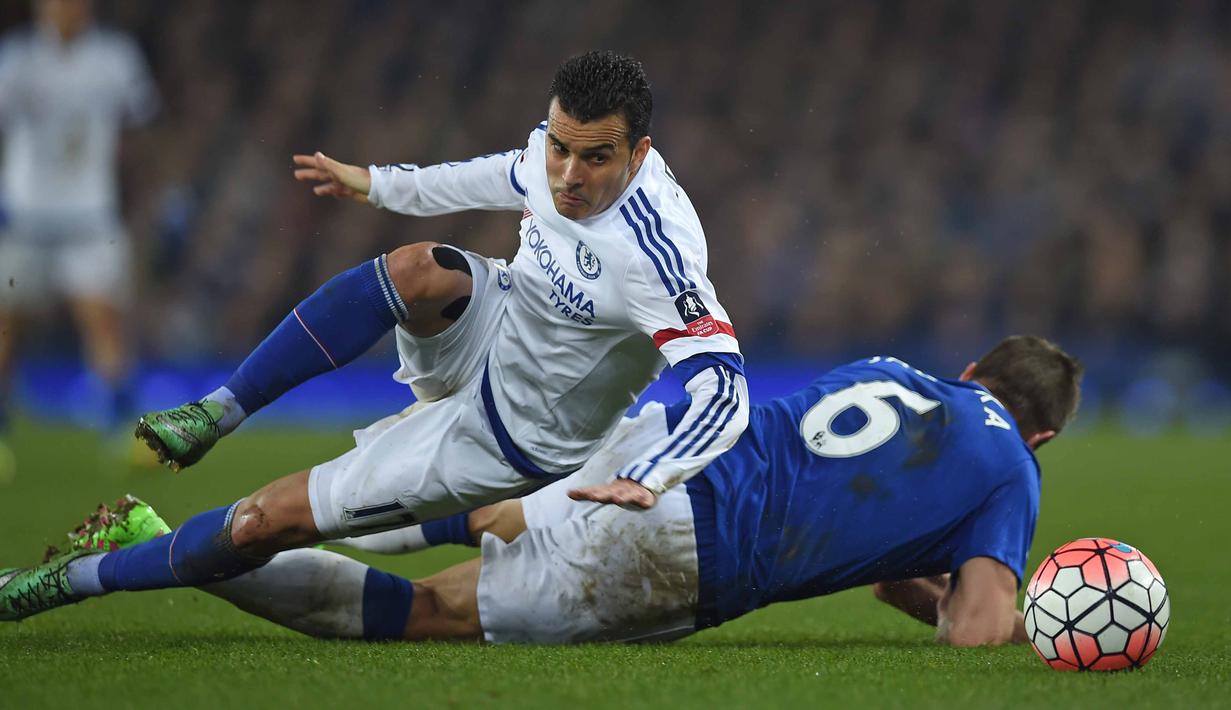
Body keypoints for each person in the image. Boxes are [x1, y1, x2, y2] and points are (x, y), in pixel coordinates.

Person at [0, 51, 748, 613]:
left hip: (514, 430)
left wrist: (655, 471)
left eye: (593, 158)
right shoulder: (552, 153)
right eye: (559, 146)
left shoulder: (655, 253)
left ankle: (63, 581)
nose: (566, 176)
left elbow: (725, 384)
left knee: (265, 521)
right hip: (493, 323)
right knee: (421, 268)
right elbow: (493, 174)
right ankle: (215, 412)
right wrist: (379, 184)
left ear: (638, 155)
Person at [3, 336, 1083, 649]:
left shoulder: (899, 372)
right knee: (431, 604)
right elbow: (974, 629)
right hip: (686, 547)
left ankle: (183, 531)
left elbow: (856, 514)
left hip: (657, 442)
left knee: (383, 505)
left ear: (975, 369)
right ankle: (132, 553)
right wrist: (1038, 620)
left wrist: (897, 569)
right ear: (1041, 431)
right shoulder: (1012, 470)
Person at [0, 0, 158, 476]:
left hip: (90, 213)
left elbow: (140, 129)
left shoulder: (115, 57)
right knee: (8, 328)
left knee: (105, 322)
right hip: (24, 215)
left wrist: (134, 193)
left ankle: (121, 434)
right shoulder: (17, 59)